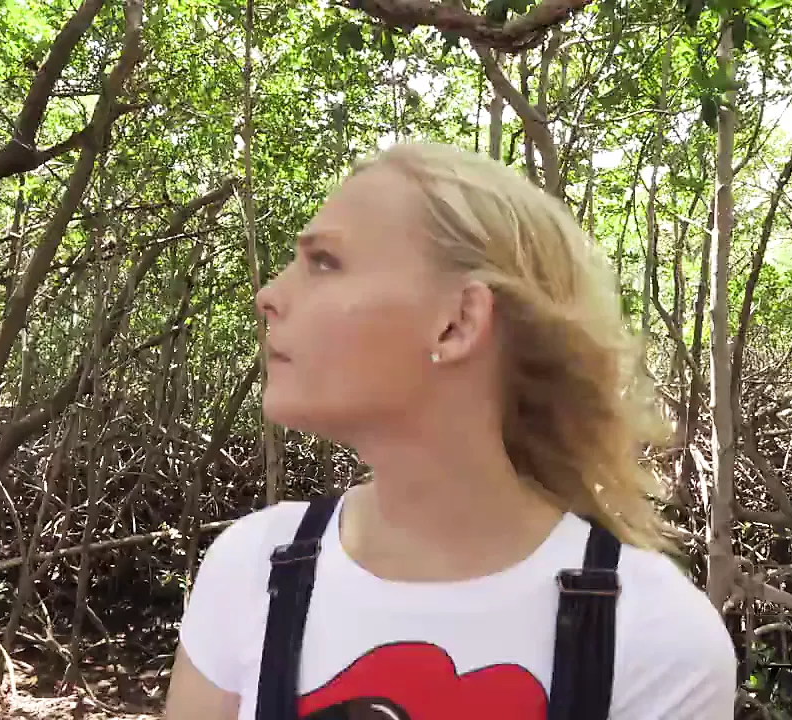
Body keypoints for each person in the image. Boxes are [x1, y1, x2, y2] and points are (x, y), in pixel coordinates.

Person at [163, 142, 737, 720]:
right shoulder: (252, 567)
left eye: (325, 263)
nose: (268, 296)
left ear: (457, 323)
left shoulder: (657, 639)